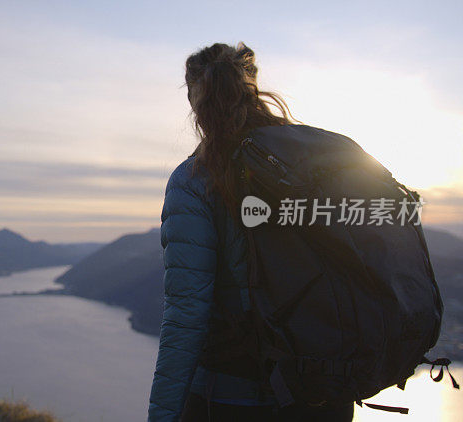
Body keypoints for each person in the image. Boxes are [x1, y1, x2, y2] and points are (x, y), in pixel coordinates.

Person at [147, 42, 355, 422]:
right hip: (325, 393)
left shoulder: (195, 179)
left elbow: (186, 312)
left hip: (234, 397)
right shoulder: (319, 160)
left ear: (195, 100)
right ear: (253, 87)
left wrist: (162, 415)